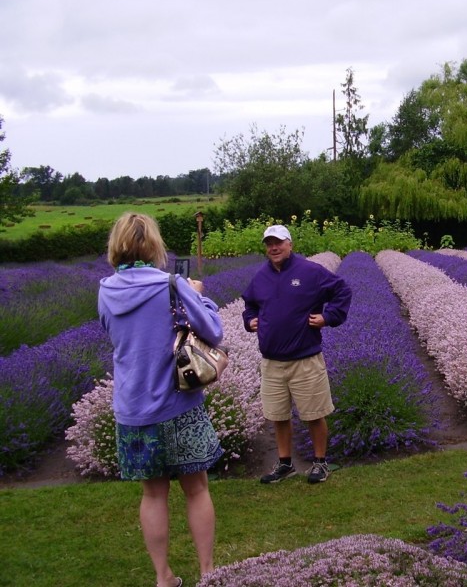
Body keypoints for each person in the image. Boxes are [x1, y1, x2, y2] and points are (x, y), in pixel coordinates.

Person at [98, 212, 224, 587]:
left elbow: (114, 334)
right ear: (154, 244)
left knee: (153, 495)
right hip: (178, 405)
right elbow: (212, 332)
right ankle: (208, 573)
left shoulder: (106, 290)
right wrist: (201, 299)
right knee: (196, 488)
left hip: (133, 411)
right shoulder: (171, 284)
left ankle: (163, 577)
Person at [242, 224, 352, 485]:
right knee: (278, 416)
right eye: (269, 244)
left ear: (290, 244)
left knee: (314, 414)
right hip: (272, 362)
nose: (274, 248)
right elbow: (250, 304)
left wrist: (328, 317)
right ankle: (285, 464)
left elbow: (342, 290)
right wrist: (250, 320)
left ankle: (320, 462)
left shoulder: (310, 271)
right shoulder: (260, 277)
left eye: (278, 242)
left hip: (305, 359)